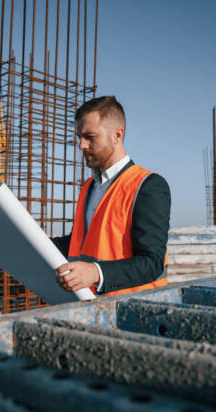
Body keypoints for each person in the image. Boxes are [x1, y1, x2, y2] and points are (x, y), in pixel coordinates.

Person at [53, 96, 171, 296]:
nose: (81, 145)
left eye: (90, 136)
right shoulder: (89, 187)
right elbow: (79, 243)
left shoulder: (148, 185)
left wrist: (96, 273)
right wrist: (31, 241)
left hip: (133, 310)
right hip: (89, 305)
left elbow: (152, 262)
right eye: (79, 136)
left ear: (117, 134)